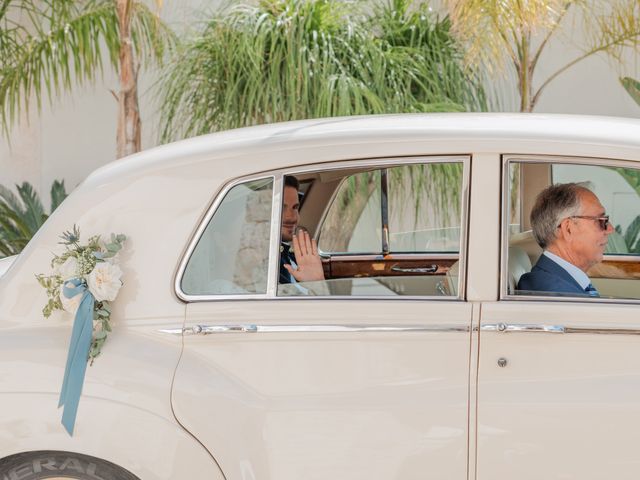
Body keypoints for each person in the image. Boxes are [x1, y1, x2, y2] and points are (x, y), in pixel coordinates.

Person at [517, 182, 613, 296]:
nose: (610, 229)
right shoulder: (557, 293)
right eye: (600, 220)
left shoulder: (558, 283)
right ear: (568, 229)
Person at [280, 176, 325, 284]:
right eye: (281, 208)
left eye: (295, 207)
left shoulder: (291, 257)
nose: (291, 217)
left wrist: (317, 282)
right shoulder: (264, 267)